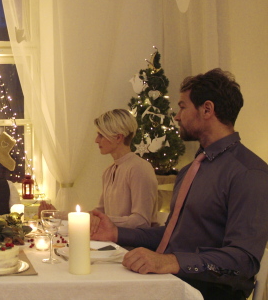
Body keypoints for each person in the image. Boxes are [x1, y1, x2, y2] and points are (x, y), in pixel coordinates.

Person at [91, 69, 268, 299]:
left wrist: (170, 262)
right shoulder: (191, 170)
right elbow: (172, 234)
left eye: (183, 107)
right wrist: (116, 233)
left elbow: (243, 260)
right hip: (170, 284)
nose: (176, 116)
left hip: (204, 293)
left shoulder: (249, 173)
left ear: (207, 109)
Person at [39, 109, 158, 229]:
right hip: (113, 240)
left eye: (101, 135)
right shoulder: (109, 171)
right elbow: (99, 213)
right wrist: (56, 214)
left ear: (118, 138)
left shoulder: (139, 168)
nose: (96, 140)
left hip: (134, 245)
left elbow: (141, 221)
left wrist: (102, 220)